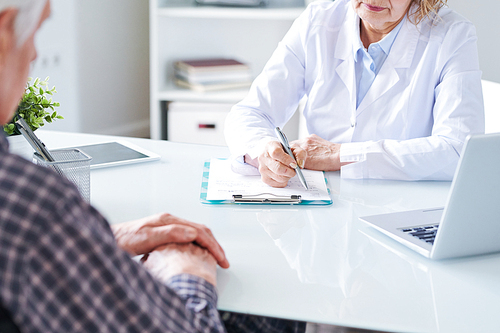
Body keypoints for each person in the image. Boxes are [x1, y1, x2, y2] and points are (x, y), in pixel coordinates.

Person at [0, 1, 233, 331]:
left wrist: (93, 240)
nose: (36, 55)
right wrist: (189, 273)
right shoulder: (30, 202)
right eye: (37, 31)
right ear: (4, 35)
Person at [224, 0, 485, 186]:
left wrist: (339, 156)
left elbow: (458, 150)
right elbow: (251, 112)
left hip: (401, 204)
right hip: (319, 201)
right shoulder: (318, 19)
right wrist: (264, 150)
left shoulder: (452, 35)